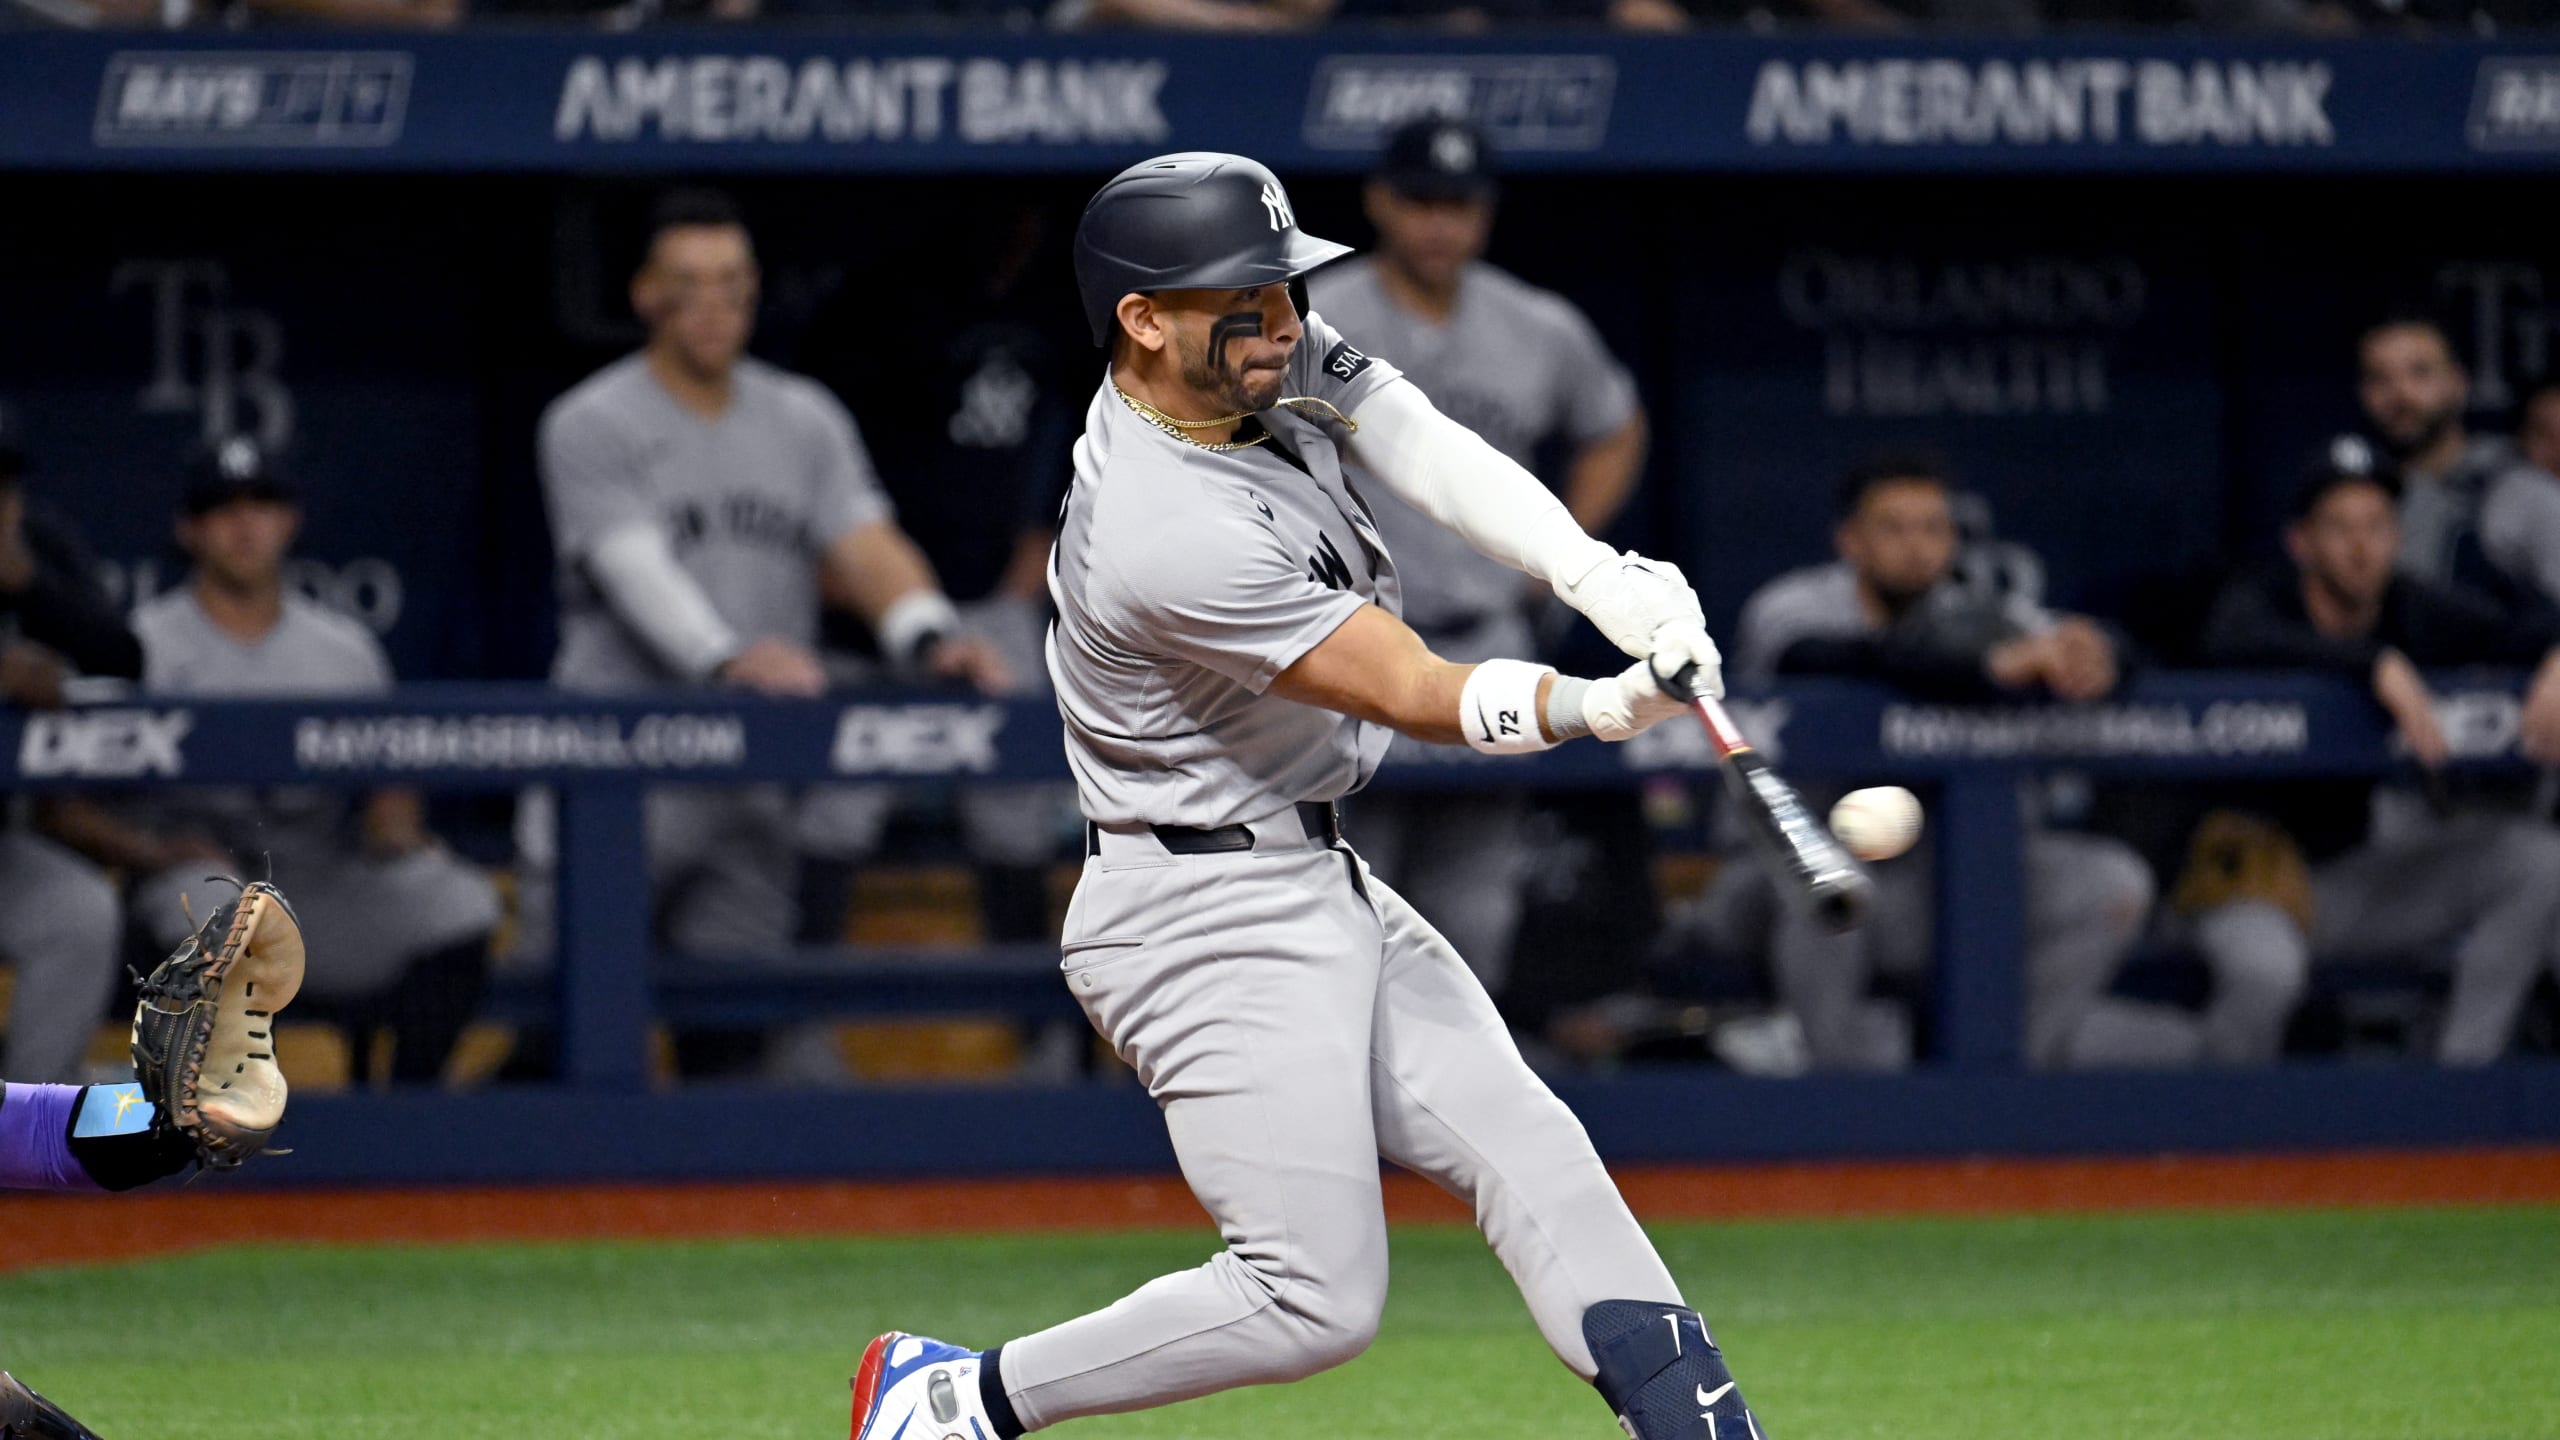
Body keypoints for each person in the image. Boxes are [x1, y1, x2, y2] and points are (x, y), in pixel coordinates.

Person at [848, 151, 1756, 1440]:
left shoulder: (1239, 362)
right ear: (1142, 319)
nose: (1284, 322)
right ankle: (951, 1401)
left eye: (1285, 290)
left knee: (1534, 1151)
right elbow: (1412, 690)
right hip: (1195, 915)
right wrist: (1607, 704)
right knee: (1310, 1300)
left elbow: (1415, 437)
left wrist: (1592, 574)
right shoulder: (1167, 531)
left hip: (1304, 866)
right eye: (1247, 299)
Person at [534, 188, 1006, 971]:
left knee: (741, 1022)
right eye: (688, 286)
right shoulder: (590, 421)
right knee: (567, 1015)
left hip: (750, 784)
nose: (713, 308)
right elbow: (634, 569)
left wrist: (930, 636)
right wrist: (725, 657)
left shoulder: (804, 418)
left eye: (732, 285)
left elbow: (864, 543)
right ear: (646, 295)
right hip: (619, 773)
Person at [1303, 118, 1647, 996]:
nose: (1439, 225)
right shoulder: (1317, 315)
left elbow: (1615, 427)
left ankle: (1455, 1070)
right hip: (1357, 637)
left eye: (1458, 205)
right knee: (1346, 895)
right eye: (1421, 201)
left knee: (1475, 908)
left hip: (1488, 634)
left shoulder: (1537, 325)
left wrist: (1562, 552)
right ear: (1380, 202)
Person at [40, 437, 501, 1085]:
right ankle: (237, 1110)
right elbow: (63, 807)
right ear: (189, 530)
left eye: (262, 504)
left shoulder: (344, 652)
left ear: (290, 520)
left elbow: (389, 788)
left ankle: (407, 1106)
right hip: (187, 878)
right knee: (226, 914)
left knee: (462, 902)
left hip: (315, 875)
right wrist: (151, 853)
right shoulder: (140, 645)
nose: (244, 525)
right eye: (222, 508)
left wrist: (397, 831)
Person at [1730, 453, 2180, 1070]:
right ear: (1851, 540)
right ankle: (1834, 1102)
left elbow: (2102, 645)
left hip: (1944, 877)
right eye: (1893, 528)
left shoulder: (1979, 609)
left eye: (1933, 528)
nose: (1917, 548)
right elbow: (1821, 657)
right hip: (1791, 875)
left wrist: (2098, 653)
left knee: (2112, 884)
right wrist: (1983, 667)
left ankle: (2006, 1088)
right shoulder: (1794, 607)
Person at [2190, 454, 2560, 1065]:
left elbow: (2521, 625)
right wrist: (2373, 664)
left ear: (2398, 538)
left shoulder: (2407, 604)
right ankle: (2222, 1121)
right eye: (2339, 528)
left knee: (2540, 860)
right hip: (2242, 880)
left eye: (2377, 526)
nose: (2361, 548)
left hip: (2350, 883)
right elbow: (2230, 638)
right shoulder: (2260, 599)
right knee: (2267, 972)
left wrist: (2556, 657)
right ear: (2301, 543)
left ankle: (2461, 1082)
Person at [797, 200, 1081, 947]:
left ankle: (1027, 1011)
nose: (1012, 231)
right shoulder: (883, 309)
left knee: (1017, 809)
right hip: (874, 608)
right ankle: (802, 1006)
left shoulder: (1052, 310)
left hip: (993, 598)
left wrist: (1025, 577)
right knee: (837, 813)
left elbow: (1070, 450)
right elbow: (835, 489)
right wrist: (857, 584)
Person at [0, 400, 142, 1085]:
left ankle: (25, 1123)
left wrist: (29, 586)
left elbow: (124, 657)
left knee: (76, 910)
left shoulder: (33, 545)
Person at [2356, 314, 2560, 610]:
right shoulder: (2356, 497)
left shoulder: (2521, 491)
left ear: (2458, 382)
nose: (2400, 394)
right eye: (2379, 378)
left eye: (2420, 373)